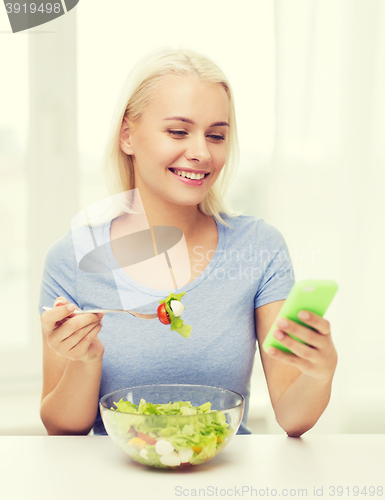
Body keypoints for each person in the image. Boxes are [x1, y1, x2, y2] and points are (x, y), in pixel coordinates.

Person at [39, 47, 337, 438]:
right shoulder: (72, 258)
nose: (201, 152)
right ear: (128, 135)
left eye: (216, 136)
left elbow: (292, 417)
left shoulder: (259, 247)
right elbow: (61, 428)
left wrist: (320, 372)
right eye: (178, 131)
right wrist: (85, 360)